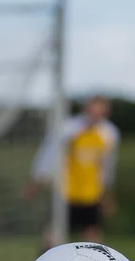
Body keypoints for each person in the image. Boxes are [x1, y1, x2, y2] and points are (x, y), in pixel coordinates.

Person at [23, 95, 120, 252]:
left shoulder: (109, 134)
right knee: (52, 238)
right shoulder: (69, 129)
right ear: (85, 109)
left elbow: (107, 168)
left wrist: (107, 195)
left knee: (93, 243)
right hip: (65, 193)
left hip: (91, 195)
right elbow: (48, 157)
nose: (95, 115)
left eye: (100, 112)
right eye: (92, 111)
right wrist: (36, 182)